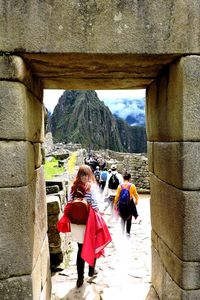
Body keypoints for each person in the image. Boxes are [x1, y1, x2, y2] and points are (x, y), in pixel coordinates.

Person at [57, 164, 112, 289]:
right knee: (93, 244)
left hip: (76, 223)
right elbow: (94, 204)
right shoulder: (90, 188)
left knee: (80, 249)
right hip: (88, 222)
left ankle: (80, 278)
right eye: (84, 174)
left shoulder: (72, 188)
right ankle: (91, 271)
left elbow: (69, 203)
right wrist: (99, 212)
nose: (85, 177)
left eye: (85, 174)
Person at [114, 171, 139, 237]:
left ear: (123, 178)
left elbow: (117, 196)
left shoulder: (120, 186)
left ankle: (122, 232)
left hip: (122, 204)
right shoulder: (132, 186)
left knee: (122, 218)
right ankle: (128, 233)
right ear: (130, 178)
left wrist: (115, 203)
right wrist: (136, 201)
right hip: (129, 204)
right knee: (129, 218)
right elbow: (136, 195)